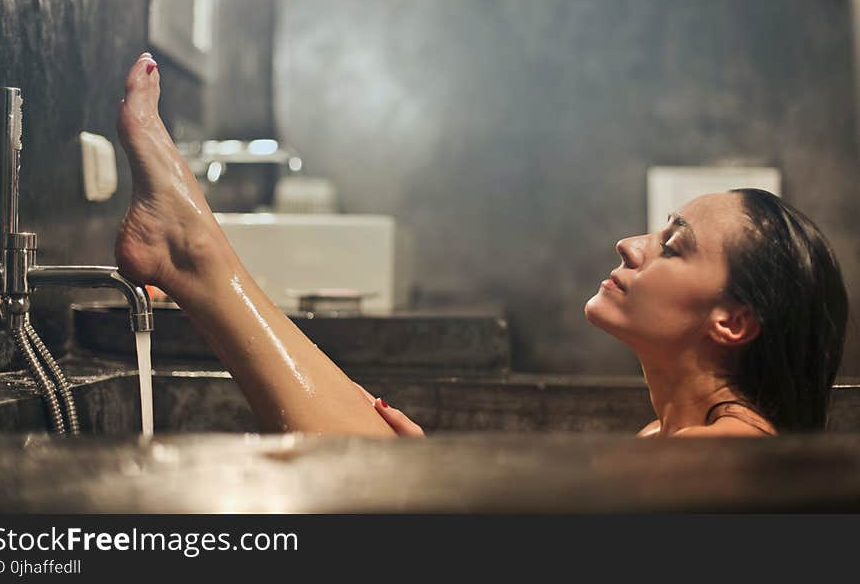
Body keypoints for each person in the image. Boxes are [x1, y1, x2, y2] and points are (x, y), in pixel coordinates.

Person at [115, 54, 847, 438]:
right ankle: (195, 255)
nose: (631, 245)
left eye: (674, 245)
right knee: (385, 463)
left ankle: (197, 256)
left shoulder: (717, 457)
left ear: (734, 321)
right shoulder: (676, 433)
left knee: (384, 476)